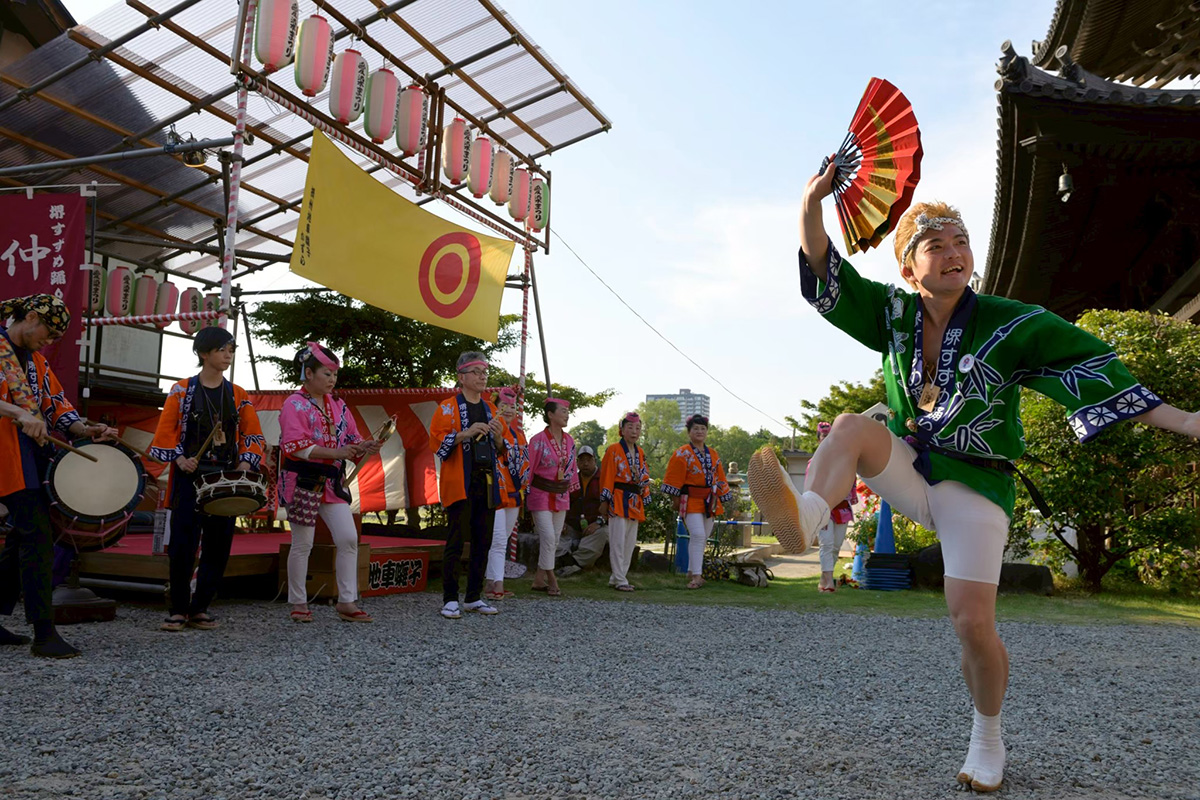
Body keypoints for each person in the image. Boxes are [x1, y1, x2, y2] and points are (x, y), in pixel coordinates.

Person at [747, 162, 1200, 793]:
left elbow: (1095, 369)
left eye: (961, 242)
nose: (954, 253)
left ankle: (988, 737)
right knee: (850, 425)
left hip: (977, 486)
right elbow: (824, 269)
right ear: (908, 268)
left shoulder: (1014, 323)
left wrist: (1189, 422)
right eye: (936, 245)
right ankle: (808, 518)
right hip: (909, 465)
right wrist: (810, 199)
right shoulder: (891, 314)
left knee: (970, 622)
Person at [0, 295, 117, 658]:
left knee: (29, 533)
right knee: (35, 534)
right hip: (5, 453)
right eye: (47, 334)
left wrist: (86, 429)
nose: (47, 343)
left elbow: (57, 405)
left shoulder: (35, 363)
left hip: (27, 456)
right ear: (30, 316)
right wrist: (16, 412)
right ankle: (44, 632)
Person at [149, 326, 265, 632]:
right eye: (222, 350)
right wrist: (179, 458)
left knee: (219, 544)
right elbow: (165, 433)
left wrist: (244, 461)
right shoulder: (181, 390)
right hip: (190, 476)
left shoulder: (238, 394)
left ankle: (200, 607)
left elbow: (254, 434)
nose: (228, 355)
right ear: (204, 353)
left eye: (231, 350)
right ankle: (177, 608)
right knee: (183, 545)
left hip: (225, 477)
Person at [278, 343, 381, 623]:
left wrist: (364, 445)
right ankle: (299, 602)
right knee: (303, 543)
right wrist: (337, 453)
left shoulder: (338, 404)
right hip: (302, 479)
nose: (332, 379)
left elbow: (350, 438)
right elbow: (295, 445)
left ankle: (347, 601)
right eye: (327, 373)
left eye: (335, 374)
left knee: (348, 538)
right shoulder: (294, 404)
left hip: (331, 483)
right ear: (308, 373)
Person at [429, 352, 509, 619]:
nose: (482, 376)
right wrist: (467, 432)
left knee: (483, 540)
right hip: (459, 481)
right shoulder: (448, 407)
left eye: (484, 371)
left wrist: (498, 438)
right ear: (461, 377)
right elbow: (437, 444)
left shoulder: (492, 409)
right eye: (476, 371)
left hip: (486, 482)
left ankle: (473, 596)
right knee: (455, 540)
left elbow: (501, 450)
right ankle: (450, 598)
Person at [662, 413, 733, 589]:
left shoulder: (713, 454)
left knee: (703, 537)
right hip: (690, 500)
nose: (699, 432)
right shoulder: (682, 453)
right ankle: (696, 576)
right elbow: (673, 478)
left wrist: (724, 497)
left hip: (710, 501)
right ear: (689, 432)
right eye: (696, 428)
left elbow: (720, 477)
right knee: (698, 535)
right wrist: (675, 499)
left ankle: (691, 570)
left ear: (707, 432)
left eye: (703, 428)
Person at [525, 397, 578, 596]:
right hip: (540, 494)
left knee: (554, 540)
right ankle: (552, 577)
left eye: (567, 411)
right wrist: (524, 494)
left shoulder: (570, 440)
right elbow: (529, 469)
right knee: (547, 537)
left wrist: (571, 489)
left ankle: (538, 579)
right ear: (550, 414)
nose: (566, 414)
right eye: (563, 411)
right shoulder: (537, 440)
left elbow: (572, 468)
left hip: (561, 494)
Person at [484, 386, 528, 602]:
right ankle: (497, 583)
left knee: (503, 537)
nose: (509, 410)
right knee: (499, 539)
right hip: (497, 490)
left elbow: (525, 463)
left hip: (515, 490)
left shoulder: (520, 434)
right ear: (495, 408)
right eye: (504, 406)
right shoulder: (492, 428)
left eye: (512, 406)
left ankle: (491, 582)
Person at [599, 412, 651, 592]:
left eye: (638, 428)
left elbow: (644, 475)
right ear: (621, 430)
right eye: (630, 427)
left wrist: (645, 494)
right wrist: (605, 500)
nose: (634, 431)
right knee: (618, 540)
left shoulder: (640, 452)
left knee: (629, 542)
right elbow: (606, 475)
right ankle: (620, 579)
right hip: (618, 497)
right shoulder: (613, 449)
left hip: (634, 500)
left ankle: (618, 577)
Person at [812, 420, 857, 593]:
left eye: (830, 436)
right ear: (818, 440)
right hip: (823, 507)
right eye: (824, 436)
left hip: (842, 506)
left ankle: (824, 578)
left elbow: (850, 479)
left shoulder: (845, 460)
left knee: (837, 545)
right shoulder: (814, 461)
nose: (827, 439)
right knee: (827, 544)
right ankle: (829, 581)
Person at [555, 444, 609, 577]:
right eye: (582, 460)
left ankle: (573, 563)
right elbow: (564, 501)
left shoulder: (604, 479)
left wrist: (599, 522)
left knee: (603, 534)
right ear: (577, 463)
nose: (585, 464)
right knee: (554, 532)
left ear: (594, 461)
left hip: (594, 525)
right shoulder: (572, 479)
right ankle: (567, 562)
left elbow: (611, 505)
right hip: (572, 525)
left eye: (589, 460)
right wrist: (561, 521)